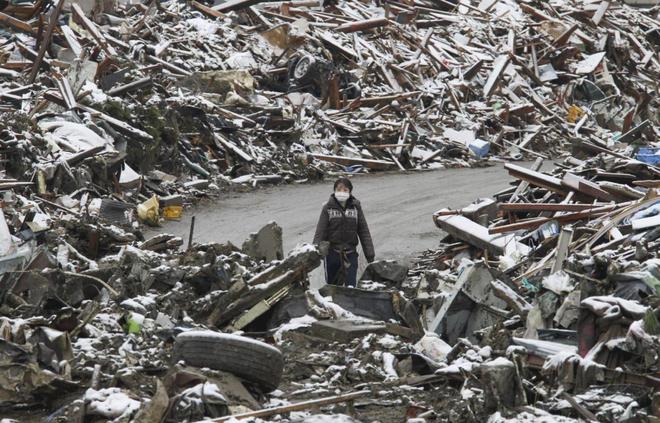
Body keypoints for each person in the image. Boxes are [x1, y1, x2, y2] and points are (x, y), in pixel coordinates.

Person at [313, 178, 375, 287]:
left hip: (350, 254)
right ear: (334, 191)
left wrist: (370, 254)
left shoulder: (356, 208)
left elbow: (363, 231)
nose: (342, 192)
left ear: (350, 192)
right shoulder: (327, 208)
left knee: (350, 287)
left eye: (345, 190)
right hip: (332, 254)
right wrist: (314, 253)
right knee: (332, 287)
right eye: (339, 189)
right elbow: (320, 231)